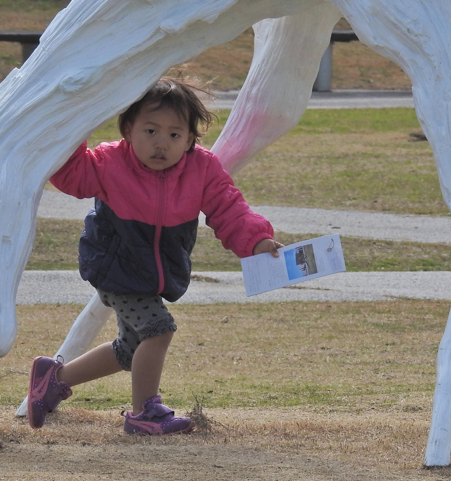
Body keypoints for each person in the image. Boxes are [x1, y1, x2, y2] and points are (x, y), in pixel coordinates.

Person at [26, 78, 282, 434]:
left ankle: (52, 380)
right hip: (115, 268)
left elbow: (229, 208)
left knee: (130, 349)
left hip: (152, 274)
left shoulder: (202, 170)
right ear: (128, 129)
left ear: (191, 139)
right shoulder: (108, 162)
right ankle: (145, 413)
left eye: (175, 135)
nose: (162, 143)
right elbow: (70, 175)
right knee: (159, 329)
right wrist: (76, 119)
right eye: (151, 130)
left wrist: (257, 242)